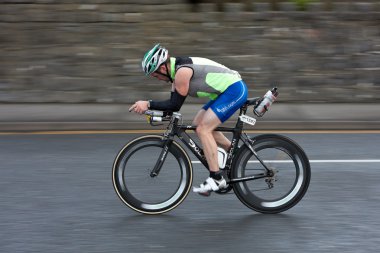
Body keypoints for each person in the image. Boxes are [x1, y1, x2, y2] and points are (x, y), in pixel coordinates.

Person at [129, 44, 248, 196]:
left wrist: (148, 104)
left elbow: (174, 105)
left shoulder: (182, 72)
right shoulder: (175, 75)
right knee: (197, 124)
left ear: (163, 68)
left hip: (234, 90)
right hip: (224, 93)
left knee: (203, 129)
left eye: (155, 74)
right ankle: (236, 152)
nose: (157, 78)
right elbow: (171, 108)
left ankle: (216, 178)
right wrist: (151, 111)